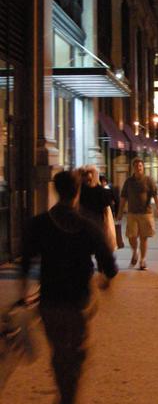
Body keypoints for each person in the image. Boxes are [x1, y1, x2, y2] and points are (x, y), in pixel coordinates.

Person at [20, 170, 118, 404]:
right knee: (75, 351)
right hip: (78, 300)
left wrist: (23, 292)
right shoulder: (87, 225)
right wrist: (105, 279)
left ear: (56, 190)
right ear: (77, 192)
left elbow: (26, 261)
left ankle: (64, 392)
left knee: (59, 350)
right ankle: (68, 396)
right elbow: (108, 263)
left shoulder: (40, 223)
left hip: (50, 299)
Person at [117, 158, 158, 270]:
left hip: (145, 213)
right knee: (131, 236)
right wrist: (120, 212)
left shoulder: (148, 180)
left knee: (143, 238)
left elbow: (155, 194)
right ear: (133, 168)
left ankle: (142, 260)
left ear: (143, 167)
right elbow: (123, 197)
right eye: (136, 166)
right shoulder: (128, 182)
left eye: (140, 166)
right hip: (132, 214)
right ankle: (135, 251)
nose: (138, 168)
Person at [79, 165, 116, 252]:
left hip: (86, 220)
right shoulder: (101, 191)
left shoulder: (80, 190)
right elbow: (106, 210)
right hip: (97, 222)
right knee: (99, 247)